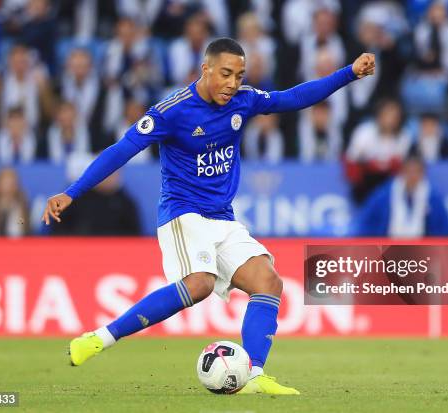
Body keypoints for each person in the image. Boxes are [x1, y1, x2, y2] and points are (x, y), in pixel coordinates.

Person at [42, 38, 375, 395]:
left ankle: (254, 375)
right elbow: (122, 149)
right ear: (206, 69)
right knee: (199, 282)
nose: (233, 83)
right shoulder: (173, 111)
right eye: (226, 74)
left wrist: (349, 74)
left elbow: (292, 98)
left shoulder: (243, 101)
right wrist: (72, 192)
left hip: (221, 216)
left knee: (268, 282)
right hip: (182, 213)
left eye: (240, 75)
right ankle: (99, 339)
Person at [352, 154, 448, 238]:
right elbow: (366, 224)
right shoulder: (384, 196)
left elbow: (445, 229)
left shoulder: (434, 198)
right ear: (401, 172)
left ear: (423, 174)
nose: (412, 176)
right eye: (409, 172)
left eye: (416, 172)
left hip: (424, 253)